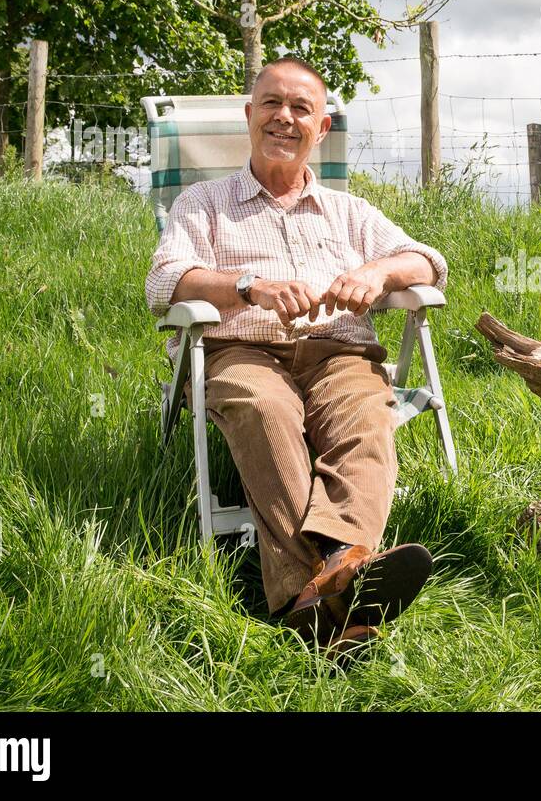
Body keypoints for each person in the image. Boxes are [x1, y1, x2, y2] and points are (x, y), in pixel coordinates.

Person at [145, 56, 447, 656]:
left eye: (301, 108)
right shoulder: (204, 203)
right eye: (272, 104)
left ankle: (314, 598)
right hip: (240, 350)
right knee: (264, 410)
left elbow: (429, 262)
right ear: (249, 115)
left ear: (322, 128)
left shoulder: (350, 212)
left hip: (339, 351)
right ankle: (342, 577)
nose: (285, 118)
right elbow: (164, 281)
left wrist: (376, 272)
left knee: (365, 417)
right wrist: (246, 285)